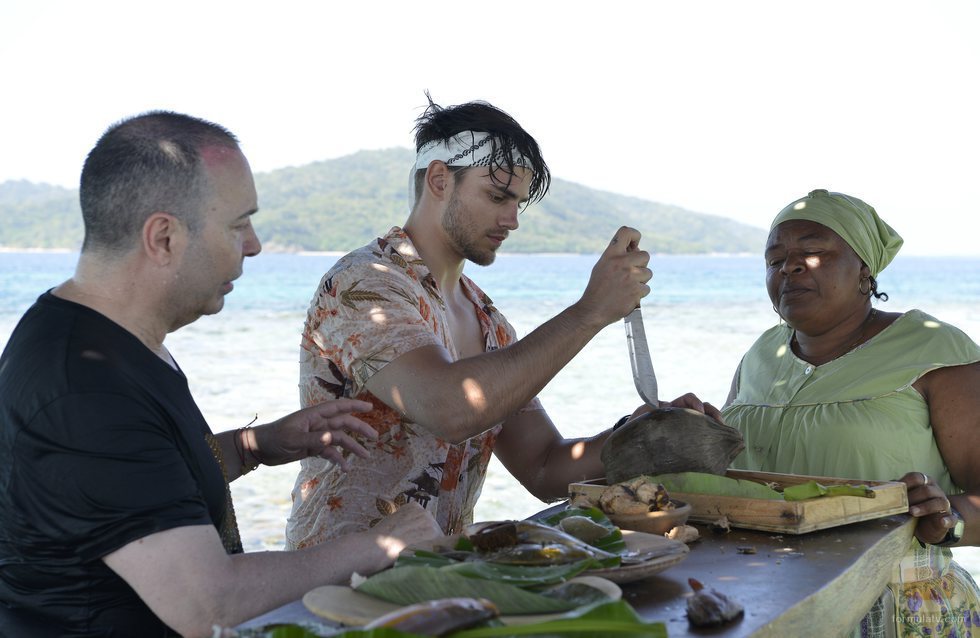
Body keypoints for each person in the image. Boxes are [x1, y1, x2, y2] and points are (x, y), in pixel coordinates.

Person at [0, 111, 442, 638]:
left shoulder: (113, 340)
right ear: (163, 237)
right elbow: (210, 602)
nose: (254, 245)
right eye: (238, 224)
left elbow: (140, 486)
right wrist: (384, 543)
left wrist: (255, 446)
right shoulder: (84, 386)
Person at [286, 95, 720, 548]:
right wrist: (590, 312)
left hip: (436, 574)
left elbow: (545, 466)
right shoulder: (365, 284)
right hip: (332, 581)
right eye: (497, 197)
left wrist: (644, 431)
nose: (512, 219)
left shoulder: (488, 321)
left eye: (518, 202)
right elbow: (450, 408)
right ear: (439, 179)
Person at [723, 189, 980, 637]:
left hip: (897, 613)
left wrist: (949, 520)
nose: (789, 266)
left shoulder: (933, 350)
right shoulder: (762, 355)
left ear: (864, 269)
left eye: (814, 251)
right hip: (766, 603)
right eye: (774, 258)